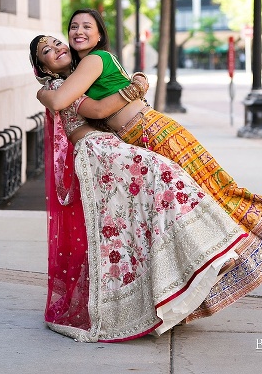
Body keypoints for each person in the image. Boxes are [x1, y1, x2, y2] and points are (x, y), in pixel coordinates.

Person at [36, 10, 262, 322]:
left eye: (86, 27)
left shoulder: (94, 60)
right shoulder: (80, 70)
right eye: (73, 27)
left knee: (216, 193)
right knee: (180, 209)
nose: (78, 32)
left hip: (153, 131)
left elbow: (83, 104)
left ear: (99, 33)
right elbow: (89, 106)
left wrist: (133, 89)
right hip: (137, 138)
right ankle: (193, 282)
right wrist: (132, 88)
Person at [31, 35, 248, 341]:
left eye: (56, 43)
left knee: (137, 221)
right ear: (43, 66)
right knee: (165, 175)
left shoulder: (80, 79)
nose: (57, 49)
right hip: (97, 152)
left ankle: (188, 268)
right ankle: (205, 253)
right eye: (47, 51)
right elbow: (91, 110)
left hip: (107, 149)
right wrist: (135, 88)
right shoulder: (52, 88)